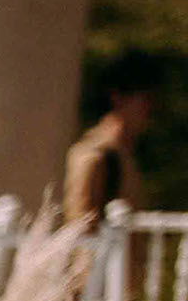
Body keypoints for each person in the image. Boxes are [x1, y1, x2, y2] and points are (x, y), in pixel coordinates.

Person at [65, 54, 161, 224]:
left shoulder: (124, 153)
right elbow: (80, 223)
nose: (150, 108)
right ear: (117, 98)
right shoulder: (94, 154)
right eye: (145, 99)